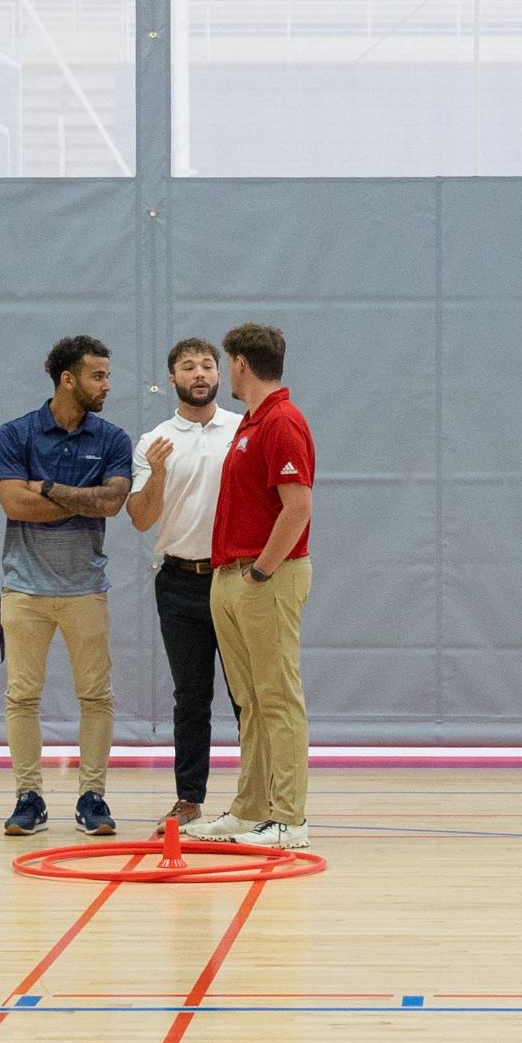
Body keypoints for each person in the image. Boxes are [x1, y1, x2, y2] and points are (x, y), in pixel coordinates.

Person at [0, 334, 137, 837]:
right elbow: (14, 505)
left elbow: (113, 504)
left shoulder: (113, 439)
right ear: (67, 379)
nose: (107, 386)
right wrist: (84, 497)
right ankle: (28, 797)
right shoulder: (15, 433)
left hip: (85, 589)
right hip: (23, 591)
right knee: (22, 697)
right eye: (98, 376)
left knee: (96, 695)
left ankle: (92, 798)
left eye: (108, 376)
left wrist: (46, 486)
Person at [125, 335, 243, 832]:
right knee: (191, 697)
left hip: (236, 580)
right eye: (188, 366)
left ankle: (259, 800)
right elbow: (140, 518)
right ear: (171, 379)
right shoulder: (152, 442)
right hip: (178, 582)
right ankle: (189, 800)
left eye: (208, 366)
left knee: (248, 696)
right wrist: (154, 474)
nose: (199, 374)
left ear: (220, 376)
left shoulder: (243, 431)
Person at [210, 321, 316, 851]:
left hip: (264, 576)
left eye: (226, 361)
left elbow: (297, 509)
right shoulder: (251, 424)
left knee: (277, 697)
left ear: (240, 364)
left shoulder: (282, 422)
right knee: (250, 700)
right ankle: (251, 809)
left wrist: (260, 572)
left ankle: (290, 818)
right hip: (232, 576)